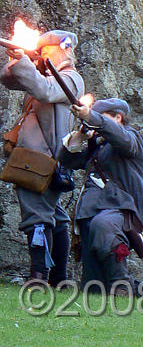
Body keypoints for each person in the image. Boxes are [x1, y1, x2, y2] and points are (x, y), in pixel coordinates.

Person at [0, 30, 84, 285]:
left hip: (42, 160)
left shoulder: (70, 78)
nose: (43, 56)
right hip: (36, 157)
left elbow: (45, 91)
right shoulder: (44, 74)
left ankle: (39, 276)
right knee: (55, 218)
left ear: (64, 49)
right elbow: (7, 78)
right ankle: (58, 278)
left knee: (36, 217)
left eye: (47, 52)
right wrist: (20, 57)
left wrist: (25, 61)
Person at [59, 98, 143, 294]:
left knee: (104, 224)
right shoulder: (97, 146)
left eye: (100, 117)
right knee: (94, 287)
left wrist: (91, 117)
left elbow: (123, 141)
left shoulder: (132, 137)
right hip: (90, 212)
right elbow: (66, 160)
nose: (95, 121)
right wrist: (79, 137)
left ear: (118, 118)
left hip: (125, 211)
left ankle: (121, 286)